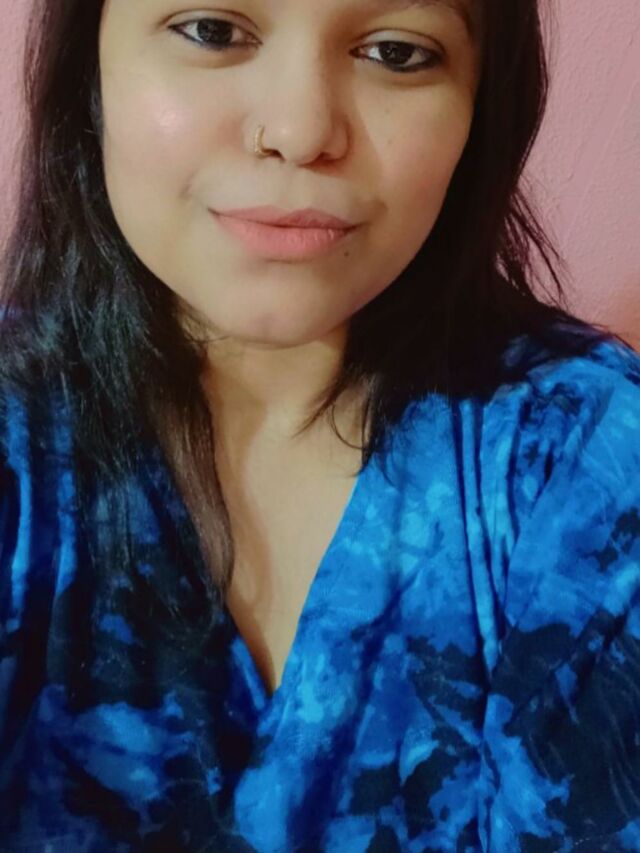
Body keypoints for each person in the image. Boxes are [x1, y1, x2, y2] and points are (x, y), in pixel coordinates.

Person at [1, 0, 639, 849]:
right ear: (91, 69)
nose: (300, 132)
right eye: (212, 31)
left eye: (397, 52)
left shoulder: (586, 459)